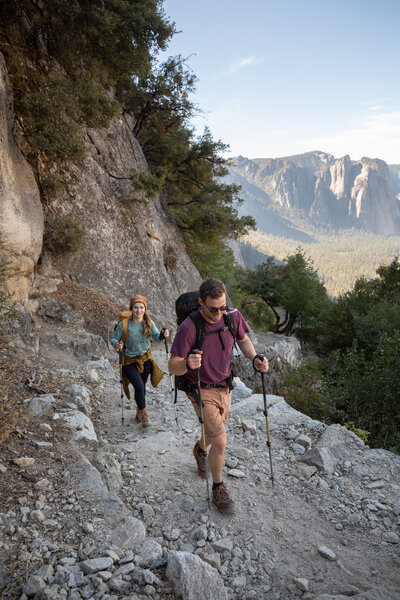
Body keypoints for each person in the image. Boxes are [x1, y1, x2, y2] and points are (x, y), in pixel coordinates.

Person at [168, 278, 268, 514]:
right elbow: (172, 365)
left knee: (215, 433)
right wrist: (188, 365)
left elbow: (243, 340)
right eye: (214, 309)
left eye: (223, 307)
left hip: (225, 386)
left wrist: (254, 358)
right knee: (221, 439)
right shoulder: (189, 327)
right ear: (201, 303)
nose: (219, 313)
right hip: (200, 388)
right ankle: (218, 487)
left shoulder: (232, 316)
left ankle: (200, 449)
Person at [110, 294, 169, 427]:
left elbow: (157, 337)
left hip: (145, 358)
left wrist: (163, 335)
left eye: (141, 307)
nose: (139, 310)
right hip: (129, 360)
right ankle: (144, 413)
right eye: (136, 308)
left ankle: (138, 411)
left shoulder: (148, 322)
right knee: (139, 386)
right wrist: (117, 344)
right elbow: (113, 338)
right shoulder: (124, 324)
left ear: (145, 309)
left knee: (141, 388)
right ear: (131, 309)